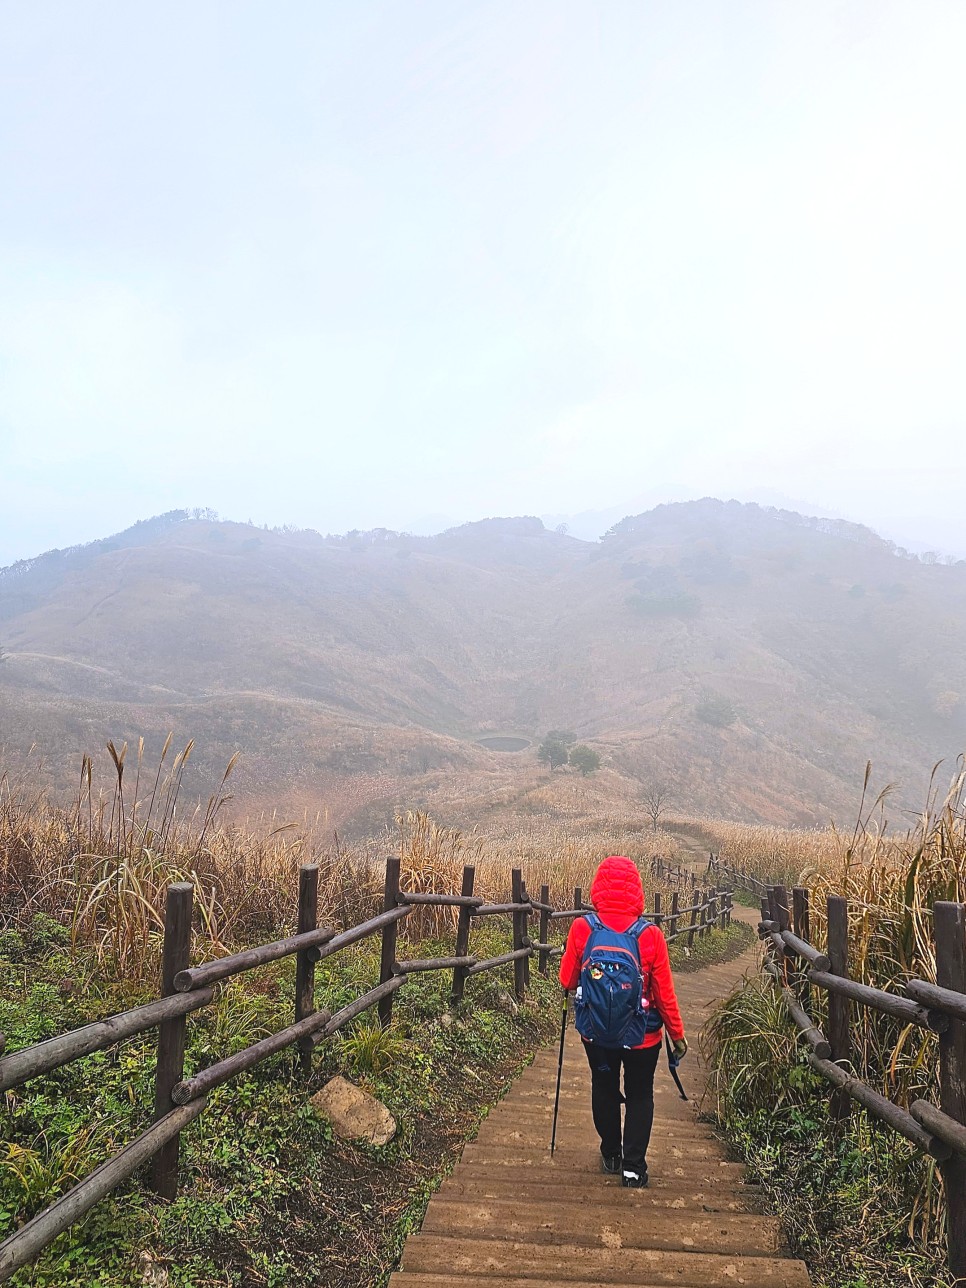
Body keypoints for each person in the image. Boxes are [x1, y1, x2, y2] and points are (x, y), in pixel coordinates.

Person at [559, 855, 687, 1188]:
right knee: (640, 1094)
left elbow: (567, 981)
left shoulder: (582, 928)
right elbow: (665, 995)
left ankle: (611, 1154)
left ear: (599, 886)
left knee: (603, 1087)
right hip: (642, 1037)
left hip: (596, 1035)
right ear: (637, 890)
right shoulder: (651, 935)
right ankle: (633, 1168)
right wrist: (677, 1035)